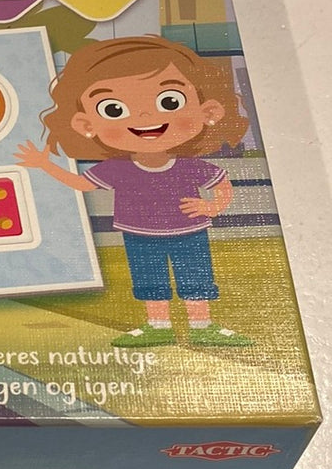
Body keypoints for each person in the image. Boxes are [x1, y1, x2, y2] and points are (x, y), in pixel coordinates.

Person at [15, 35, 251, 347]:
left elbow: (221, 184)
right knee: (150, 280)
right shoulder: (117, 168)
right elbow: (82, 184)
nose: (144, 118)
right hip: (138, 234)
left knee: (195, 277)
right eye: (113, 109)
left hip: (189, 231)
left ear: (208, 111)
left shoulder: (189, 165)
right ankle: (158, 325)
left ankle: (202, 325)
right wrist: (45, 165)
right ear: (86, 125)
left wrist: (213, 206)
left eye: (170, 102)